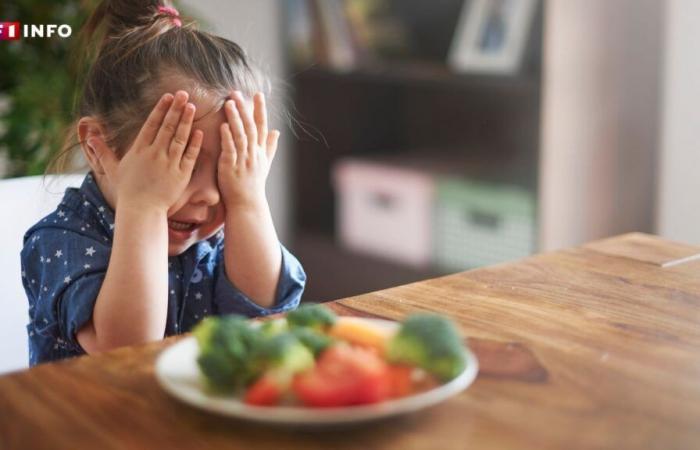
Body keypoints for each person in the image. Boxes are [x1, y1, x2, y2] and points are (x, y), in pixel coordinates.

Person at [20, 0, 306, 366]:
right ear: (98, 147)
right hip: (89, 419)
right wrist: (145, 207)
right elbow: (126, 349)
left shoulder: (219, 228)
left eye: (227, 169)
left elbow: (266, 313)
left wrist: (248, 200)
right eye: (180, 165)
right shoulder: (60, 240)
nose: (209, 194)